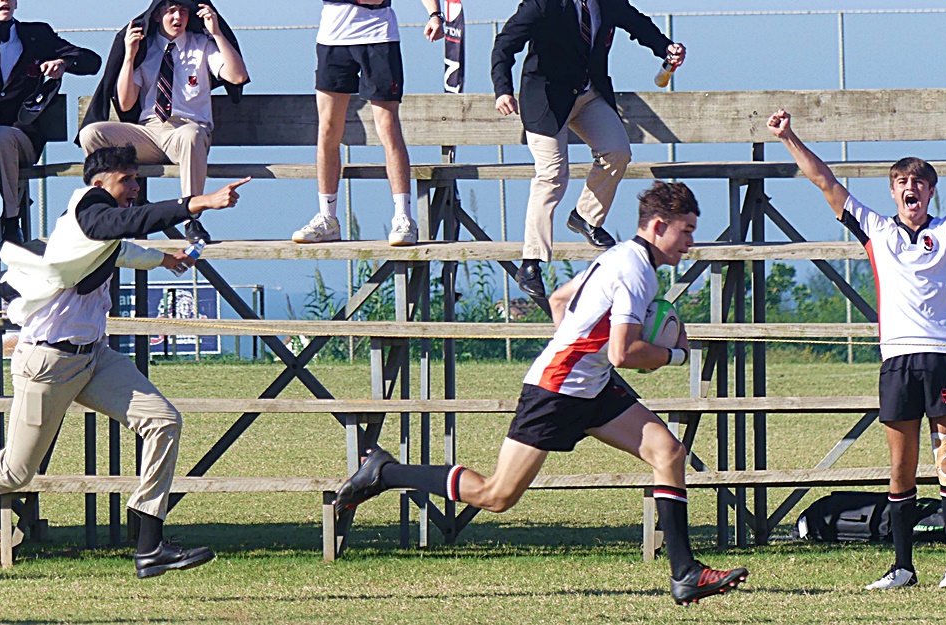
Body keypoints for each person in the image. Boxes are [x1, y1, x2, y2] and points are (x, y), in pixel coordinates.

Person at [334, 181, 749, 605]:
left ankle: (685, 574)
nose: (691, 242)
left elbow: (559, 299)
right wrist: (676, 356)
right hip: (556, 390)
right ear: (659, 226)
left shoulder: (620, 255)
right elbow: (625, 354)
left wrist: (582, 353)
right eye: (686, 230)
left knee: (669, 453)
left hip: (589, 384)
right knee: (497, 495)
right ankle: (385, 473)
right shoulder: (636, 271)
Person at [0, 145, 251, 581]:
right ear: (98, 184)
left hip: (94, 359)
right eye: (127, 179)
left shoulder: (99, 230)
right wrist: (197, 203)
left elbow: (121, 248)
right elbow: (121, 225)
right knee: (14, 471)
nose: (135, 187)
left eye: (136, 179)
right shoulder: (88, 213)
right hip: (47, 363)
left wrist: (165, 258)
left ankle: (149, 546)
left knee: (163, 420)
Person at [768, 108, 946, 590]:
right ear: (893, 191)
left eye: (920, 183)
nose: (912, 189)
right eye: (903, 181)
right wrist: (788, 136)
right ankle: (903, 567)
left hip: (943, 358)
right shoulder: (876, 230)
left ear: (930, 192)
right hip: (898, 362)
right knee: (900, 468)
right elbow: (825, 182)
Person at [491, 0, 685, 297]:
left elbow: (638, 24)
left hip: (588, 94)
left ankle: (586, 217)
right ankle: (530, 262)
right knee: (552, 175)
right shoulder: (543, 5)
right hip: (546, 101)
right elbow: (505, 44)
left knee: (618, 151)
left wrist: (666, 48)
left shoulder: (607, 3)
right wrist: (502, 90)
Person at [78, 0, 248, 244]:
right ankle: (110, 205)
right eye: (170, 11)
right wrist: (129, 56)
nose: (178, 17)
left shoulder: (203, 45)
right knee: (91, 134)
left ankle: (192, 217)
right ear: (157, 16)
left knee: (191, 134)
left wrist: (217, 32)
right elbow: (125, 104)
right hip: (148, 133)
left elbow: (238, 76)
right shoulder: (145, 48)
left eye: (183, 11)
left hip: (186, 132)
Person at [0, 0, 103, 244]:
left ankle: (11, 220)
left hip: (21, 139)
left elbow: (92, 61)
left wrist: (64, 63)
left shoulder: (36, 34)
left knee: (2, 135)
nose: (3, 1)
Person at [291, 0, 443, 247]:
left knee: (387, 126)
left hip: (378, 37)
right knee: (328, 129)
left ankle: (403, 218)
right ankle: (327, 218)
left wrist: (435, 14)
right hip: (333, 39)